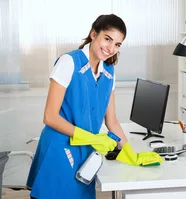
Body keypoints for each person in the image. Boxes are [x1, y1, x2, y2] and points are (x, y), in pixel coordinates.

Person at [26, 14, 162, 199]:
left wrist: (130, 153)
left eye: (117, 44)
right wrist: (92, 137)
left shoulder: (108, 72)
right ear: (93, 34)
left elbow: (111, 120)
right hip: (59, 148)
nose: (111, 48)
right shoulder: (69, 62)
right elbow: (50, 117)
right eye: (107, 39)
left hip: (85, 151)